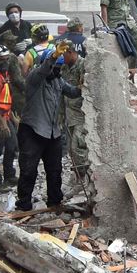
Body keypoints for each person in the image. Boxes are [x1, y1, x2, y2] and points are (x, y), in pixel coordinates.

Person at [15, 42, 80, 211]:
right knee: (28, 170)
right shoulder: (35, 78)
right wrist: (53, 57)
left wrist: (84, 84)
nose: (56, 72)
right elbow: (44, 69)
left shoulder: (58, 81)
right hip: (32, 130)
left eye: (59, 68)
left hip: (52, 132)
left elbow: (73, 92)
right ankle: (24, 204)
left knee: (55, 170)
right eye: (54, 68)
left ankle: (54, 202)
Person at [59, 32, 88, 174]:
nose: (60, 58)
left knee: (79, 148)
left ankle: (85, 179)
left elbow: (84, 89)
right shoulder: (64, 68)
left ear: (70, 52)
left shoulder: (83, 65)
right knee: (71, 149)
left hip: (80, 114)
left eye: (62, 54)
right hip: (68, 115)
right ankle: (78, 178)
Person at [0, 45, 17, 191]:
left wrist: (12, 117)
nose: (5, 62)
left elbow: (7, 97)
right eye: (2, 59)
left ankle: (9, 175)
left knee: (12, 145)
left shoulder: (3, 74)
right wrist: (1, 123)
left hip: (6, 117)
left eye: (6, 59)